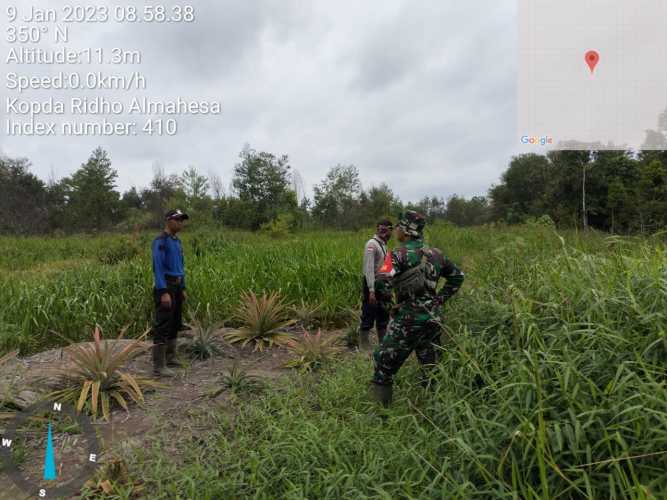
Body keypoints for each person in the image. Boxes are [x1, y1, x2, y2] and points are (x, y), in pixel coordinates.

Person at [370, 211, 464, 407]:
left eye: (398, 227)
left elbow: (380, 281)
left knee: (383, 364)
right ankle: (435, 409)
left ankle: (381, 416)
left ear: (406, 230)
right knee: (431, 367)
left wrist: (390, 308)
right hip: (433, 318)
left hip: (408, 319)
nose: (396, 231)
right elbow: (457, 277)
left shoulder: (397, 255)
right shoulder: (436, 254)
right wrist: (439, 300)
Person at [151, 209, 189, 377]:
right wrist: (163, 291)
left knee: (175, 323)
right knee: (163, 325)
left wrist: (183, 288)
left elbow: (180, 266)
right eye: (177, 220)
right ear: (168, 221)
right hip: (165, 286)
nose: (180, 223)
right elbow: (157, 267)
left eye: (182, 220)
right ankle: (159, 365)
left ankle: (171, 357)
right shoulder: (161, 241)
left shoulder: (177, 241)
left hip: (177, 286)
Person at [359, 218, 394, 350]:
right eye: (381, 229)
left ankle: (382, 345)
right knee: (368, 314)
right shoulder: (371, 244)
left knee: (383, 315)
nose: (384, 232)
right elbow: (368, 269)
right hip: (372, 285)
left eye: (386, 230)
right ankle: (364, 346)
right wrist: (371, 290)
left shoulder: (384, 245)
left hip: (383, 285)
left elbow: (385, 267)